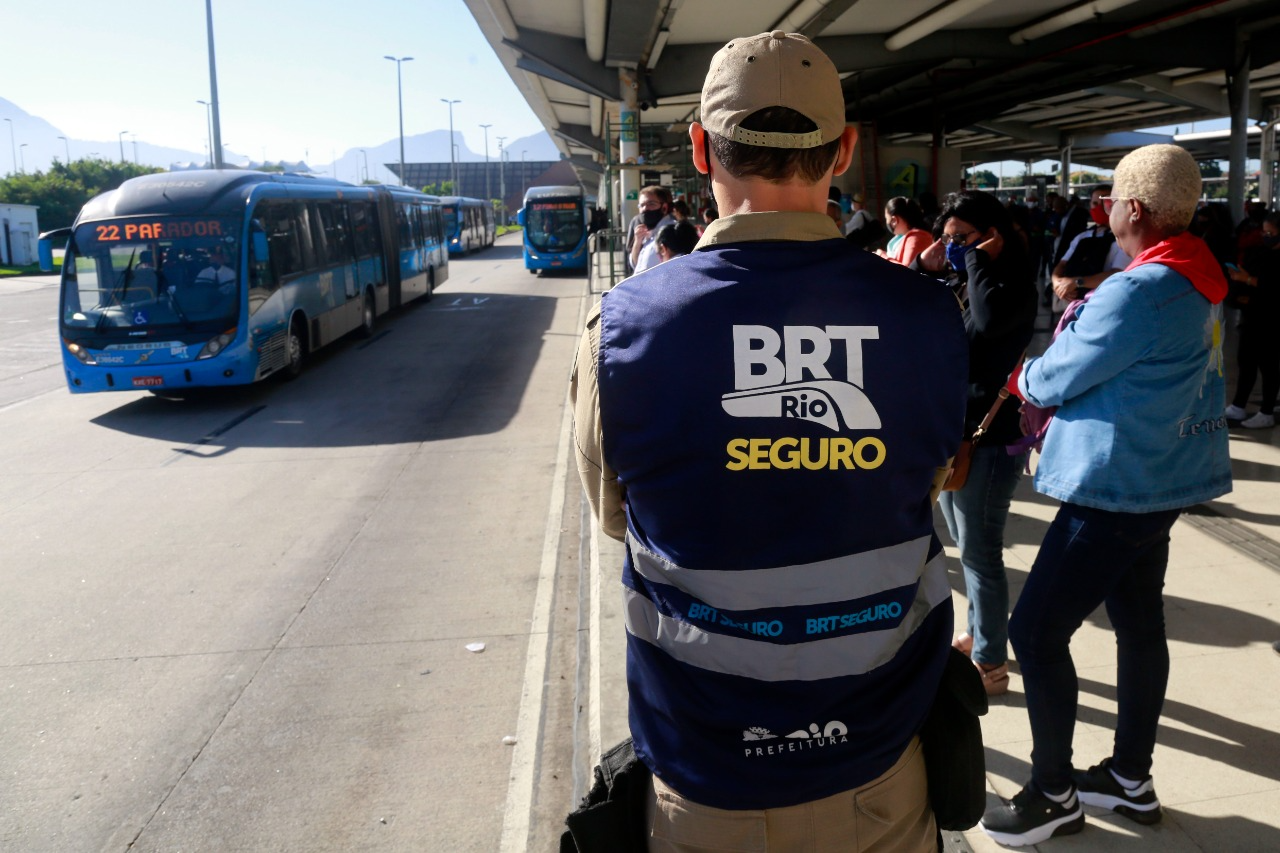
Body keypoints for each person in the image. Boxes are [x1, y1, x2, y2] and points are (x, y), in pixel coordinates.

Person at [570, 31, 969, 852]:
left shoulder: (619, 329)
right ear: (847, 150)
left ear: (699, 147)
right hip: (880, 771)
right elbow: (921, 487)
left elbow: (617, 516)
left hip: (704, 786)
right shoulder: (931, 318)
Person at [980, 144, 1232, 847]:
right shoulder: (1200, 277)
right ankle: (1128, 778)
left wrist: (1022, 379)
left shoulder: (1137, 289)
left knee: (1033, 630)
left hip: (1115, 485)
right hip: (1165, 478)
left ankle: (1052, 792)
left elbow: (1057, 376)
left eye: (1111, 200)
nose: (1106, 212)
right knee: (1139, 623)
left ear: (1135, 209)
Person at [912, 190, 1037, 697]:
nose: (955, 247)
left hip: (990, 439)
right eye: (949, 238)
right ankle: (979, 634)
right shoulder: (969, 280)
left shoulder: (1011, 285)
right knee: (966, 550)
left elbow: (986, 325)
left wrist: (978, 261)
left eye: (962, 237)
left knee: (982, 555)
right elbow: (921, 315)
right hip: (958, 431)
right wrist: (925, 267)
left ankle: (991, 663)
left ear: (992, 236)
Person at [1224, 211, 1280, 428]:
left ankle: (1266, 410)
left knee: (1269, 366)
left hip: (1271, 320)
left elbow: (1271, 287)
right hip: (1252, 317)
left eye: (1271, 233)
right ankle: (1238, 405)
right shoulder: (1261, 253)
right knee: (1246, 363)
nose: (1266, 236)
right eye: (1264, 232)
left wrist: (1248, 279)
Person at [1048, 185, 1131, 310]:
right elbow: (1061, 264)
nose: (1099, 207)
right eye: (1095, 203)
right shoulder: (1082, 237)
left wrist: (1077, 282)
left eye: (1105, 202)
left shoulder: (1124, 238)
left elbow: (1117, 274)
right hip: (1074, 305)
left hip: (1103, 305)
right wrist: (1058, 284)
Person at [626, 186, 675, 275]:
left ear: (664, 207)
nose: (645, 209)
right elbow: (636, 265)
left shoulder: (673, 231)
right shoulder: (647, 232)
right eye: (641, 205)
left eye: (651, 204)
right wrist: (637, 242)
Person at [878, 196, 932, 267]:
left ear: (894, 220)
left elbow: (906, 270)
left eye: (886, 218)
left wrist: (882, 256)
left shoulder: (916, 238)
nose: (887, 222)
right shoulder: (904, 237)